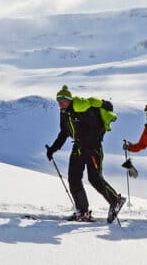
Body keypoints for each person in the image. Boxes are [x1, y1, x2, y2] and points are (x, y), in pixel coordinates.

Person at [46, 85, 126, 222]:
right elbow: (64, 133)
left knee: (94, 178)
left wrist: (90, 143)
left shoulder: (82, 108)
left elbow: (96, 128)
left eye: (62, 100)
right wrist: (53, 148)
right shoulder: (64, 113)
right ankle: (83, 212)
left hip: (92, 148)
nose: (60, 103)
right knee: (73, 179)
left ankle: (116, 200)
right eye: (58, 100)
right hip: (78, 147)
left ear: (69, 99)